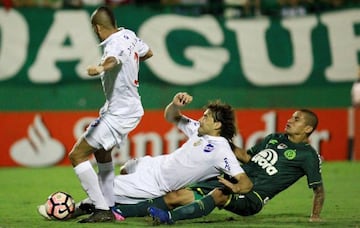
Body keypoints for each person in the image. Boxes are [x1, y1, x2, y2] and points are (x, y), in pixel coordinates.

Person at [38, 92, 253, 221]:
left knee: (108, 189)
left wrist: (235, 187)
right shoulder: (198, 129)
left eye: (206, 117)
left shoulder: (222, 150)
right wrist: (176, 104)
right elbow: (171, 116)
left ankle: (70, 210)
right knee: (126, 168)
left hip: (156, 182)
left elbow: (246, 182)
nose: (201, 118)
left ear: (217, 124)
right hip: (153, 164)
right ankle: (117, 204)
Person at [145, 109, 325, 224]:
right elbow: (247, 157)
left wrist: (315, 216)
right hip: (234, 180)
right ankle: (134, 209)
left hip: (252, 196)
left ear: (308, 129)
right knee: (179, 194)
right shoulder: (274, 138)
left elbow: (318, 189)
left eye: (297, 119)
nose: (290, 120)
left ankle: (169, 218)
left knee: (217, 195)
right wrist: (223, 141)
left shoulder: (308, 155)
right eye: (292, 117)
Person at [67, 5, 153, 223]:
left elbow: (113, 59)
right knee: (102, 154)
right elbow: (148, 52)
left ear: (97, 28)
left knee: (77, 155)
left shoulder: (114, 43)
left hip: (120, 112)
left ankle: (100, 208)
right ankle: (108, 203)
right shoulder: (128, 35)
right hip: (126, 107)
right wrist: (129, 64)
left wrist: (101, 68)